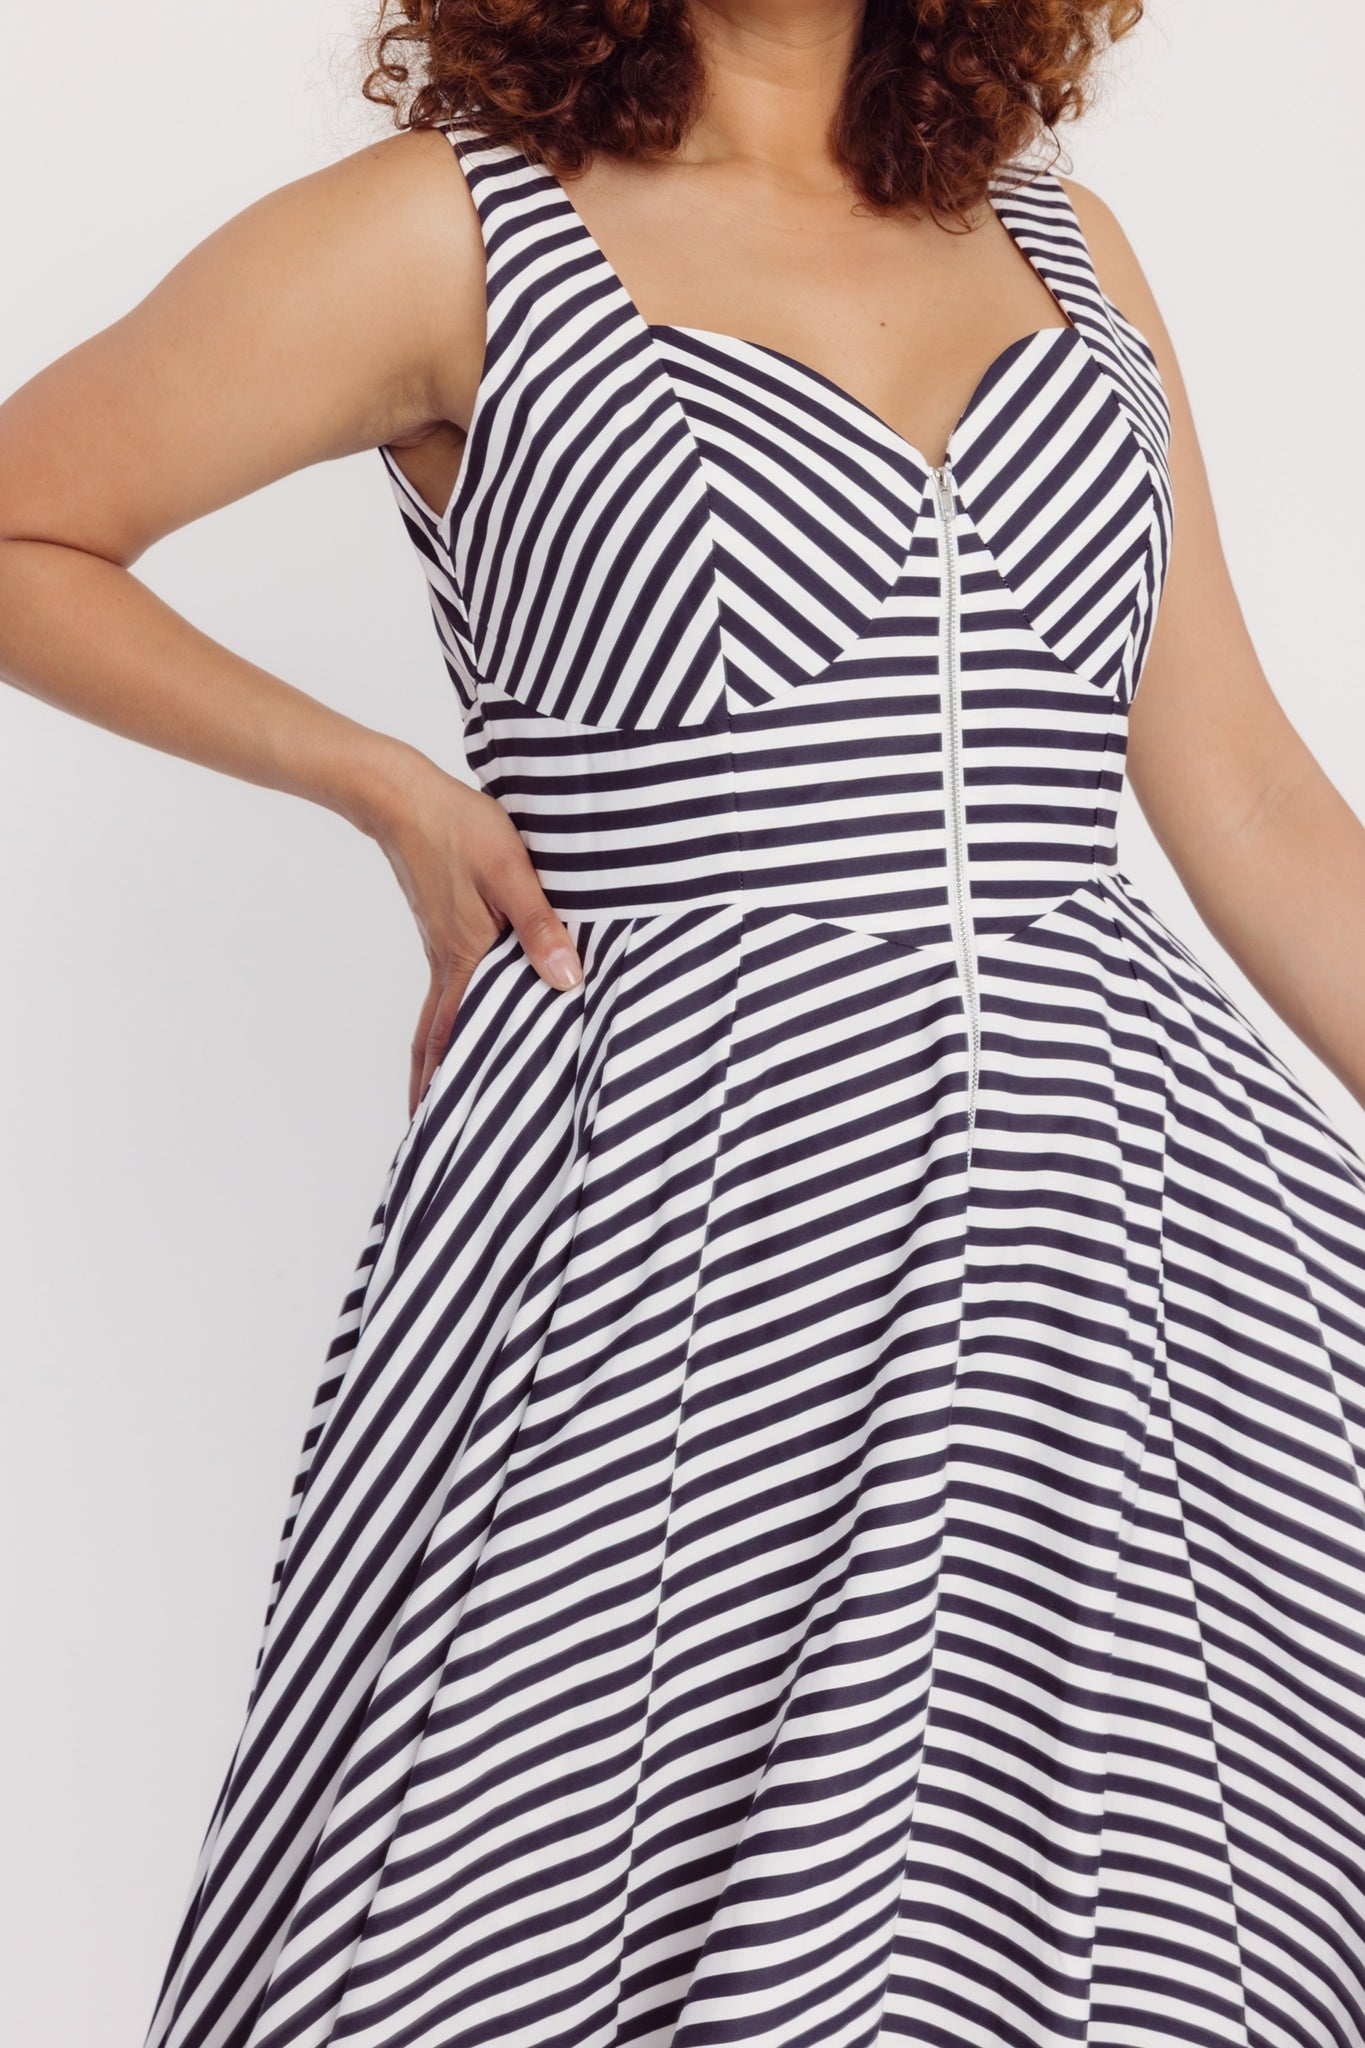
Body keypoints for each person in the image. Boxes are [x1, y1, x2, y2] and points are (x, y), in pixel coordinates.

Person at [5, 0, 1365, 2042]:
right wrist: (381, 780)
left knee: (1111, 1933)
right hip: (698, 1227)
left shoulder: (1056, 234)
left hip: (1120, 1251)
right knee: (556, 1906)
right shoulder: (450, 230)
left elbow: (1241, 787)